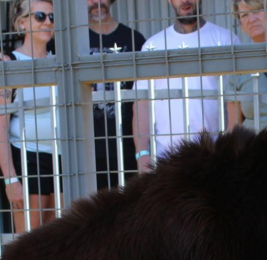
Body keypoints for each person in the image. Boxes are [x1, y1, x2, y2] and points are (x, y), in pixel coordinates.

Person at [133, 0, 240, 172]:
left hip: (214, 157)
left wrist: (227, 150)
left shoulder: (225, 40)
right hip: (166, 159)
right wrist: (142, 154)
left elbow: (237, 102)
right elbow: (141, 104)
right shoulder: (153, 47)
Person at [0, 0, 58, 234]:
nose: (48, 22)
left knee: (60, 242)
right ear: (21, 23)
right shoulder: (9, 64)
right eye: (40, 16)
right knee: (30, 244)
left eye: (52, 17)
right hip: (27, 158)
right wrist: (11, 180)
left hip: (60, 158)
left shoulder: (59, 62)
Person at [87, 0, 145, 189]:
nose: (96, 2)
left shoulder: (133, 39)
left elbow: (143, 96)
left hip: (126, 146)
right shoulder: (73, 41)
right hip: (87, 149)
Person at [228, 0, 267, 129]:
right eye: (244, 15)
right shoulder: (237, 65)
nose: (251, 19)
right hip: (256, 146)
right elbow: (234, 126)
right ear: (241, 26)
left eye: (257, 10)